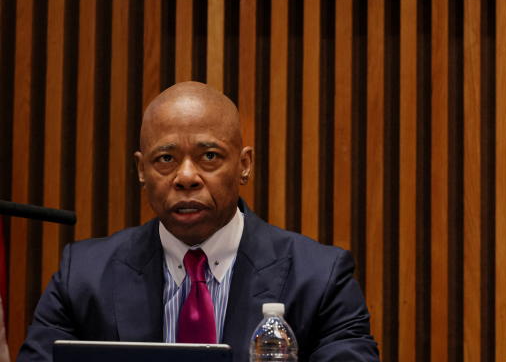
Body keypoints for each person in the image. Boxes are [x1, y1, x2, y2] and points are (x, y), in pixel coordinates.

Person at [18, 81, 379, 362]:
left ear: (244, 165)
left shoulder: (319, 279)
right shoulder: (82, 278)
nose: (186, 176)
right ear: (141, 170)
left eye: (209, 156)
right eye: (165, 158)